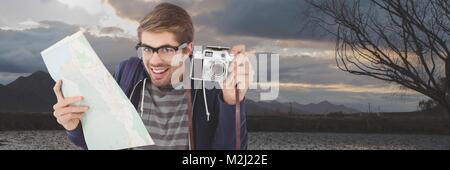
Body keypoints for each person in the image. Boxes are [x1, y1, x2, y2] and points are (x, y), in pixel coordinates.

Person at [51, 2, 252, 150]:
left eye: (166, 49)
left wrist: (231, 102)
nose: (154, 61)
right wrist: (74, 126)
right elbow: (101, 142)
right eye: (147, 49)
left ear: (188, 49)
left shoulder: (211, 84)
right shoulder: (127, 72)